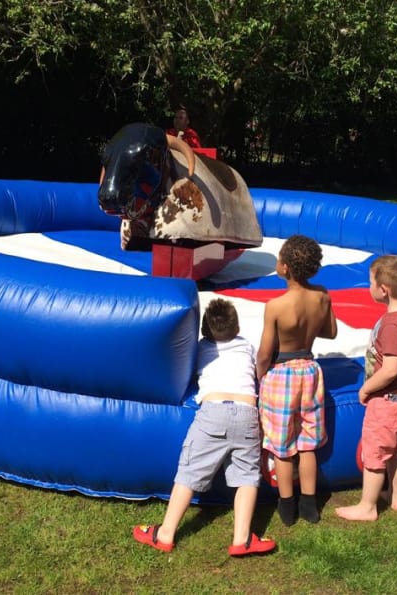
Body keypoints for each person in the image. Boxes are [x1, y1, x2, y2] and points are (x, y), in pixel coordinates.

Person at [133, 298, 276, 556]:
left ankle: (165, 533)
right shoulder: (246, 346)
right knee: (247, 476)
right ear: (237, 327)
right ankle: (242, 539)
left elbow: (182, 367)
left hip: (214, 412)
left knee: (189, 472)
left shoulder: (200, 349)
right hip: (247, 413)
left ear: (204, 330)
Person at [257, 234, 337, 525]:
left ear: (285, 267)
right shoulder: (322, 296)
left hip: (282, 374)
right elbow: (331, 332)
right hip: (309, 371)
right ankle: (309, 503)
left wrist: (260, 375)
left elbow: (265, 352)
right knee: (307, 443)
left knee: (282, 444)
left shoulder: (276, 306)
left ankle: (287, 504)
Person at [335, 255, 397, 521]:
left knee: (374, 452)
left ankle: (368, 506)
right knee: (396, 450)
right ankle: (394, 496)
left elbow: (391, 369)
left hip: (388, 400)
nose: (369, 286)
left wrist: (366, 389)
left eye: (371, 282)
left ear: (384, 289)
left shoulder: (393, 325)